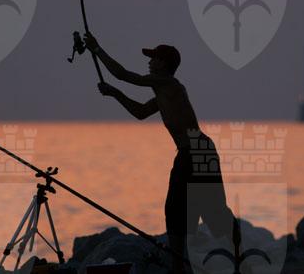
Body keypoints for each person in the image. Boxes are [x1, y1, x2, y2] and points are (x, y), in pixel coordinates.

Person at [83, 32, 234, 274]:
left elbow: (123, 75)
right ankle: (178, 267)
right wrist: (115, 94)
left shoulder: (169, 84)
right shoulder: (163, 91)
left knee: (214, 215)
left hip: (199, 151)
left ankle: (241, 258)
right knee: (175, 210)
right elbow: (141, 112)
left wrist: (97, 49)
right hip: (187, 153)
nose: (149, 62)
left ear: (163, 64)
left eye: (153, 58)